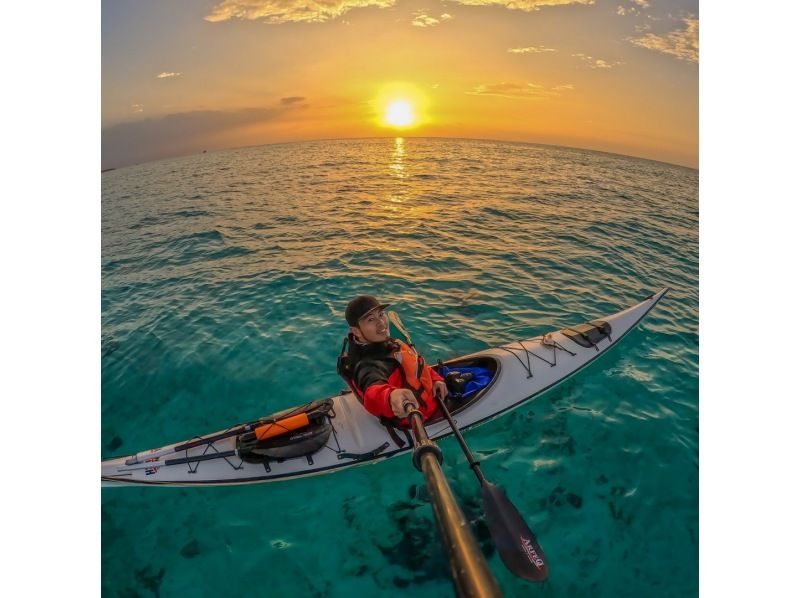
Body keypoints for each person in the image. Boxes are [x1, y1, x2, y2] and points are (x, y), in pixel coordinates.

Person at [338, 294, 447, 423]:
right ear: (356, 331)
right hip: (421, 415)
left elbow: (416, 364)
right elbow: (373, 392)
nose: (381, 322)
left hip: (434, 394)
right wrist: (390, 397)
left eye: (381, 314)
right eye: (370, 320)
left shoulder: (385, 343)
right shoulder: (368, 364)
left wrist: (435, 379)